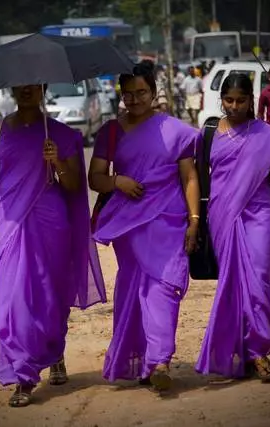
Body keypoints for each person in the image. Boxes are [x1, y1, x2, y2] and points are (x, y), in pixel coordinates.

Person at [0, 84, 106, 407]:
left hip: (51, 227)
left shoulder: (61, 134)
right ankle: (22, 376)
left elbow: (75, 185)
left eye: (33, 85)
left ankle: (53, 352)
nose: (25, 90)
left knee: (50, 299)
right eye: (20, 85)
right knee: (11, 302)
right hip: (7, 228)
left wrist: (58, 161)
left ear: (43, 89)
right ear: (11, 88)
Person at [88, 61, 201, 391]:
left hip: (170, 221)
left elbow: (189, 177)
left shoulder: (176, 130)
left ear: (154, 92)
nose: (135, 99)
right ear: (120, 95)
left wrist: (194, 221)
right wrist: (117, 181)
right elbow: (95, 178)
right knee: (134, 291)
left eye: (141, 92)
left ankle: (161, 360)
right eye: (129, 94)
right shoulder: (111, 132)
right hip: (130, 225)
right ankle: (144, 361)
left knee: (164, 287)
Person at [195, 73, 270, 382]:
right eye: (229, 100)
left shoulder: (265, 134)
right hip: (223, 214)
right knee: (233, 284)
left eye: (241, 100)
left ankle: (258, 350)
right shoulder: (209, 133)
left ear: (251, 100)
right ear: (221, 100)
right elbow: (197, 177)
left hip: (262, 212)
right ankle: (246, 353)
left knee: (259, 280)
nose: (235, 106)